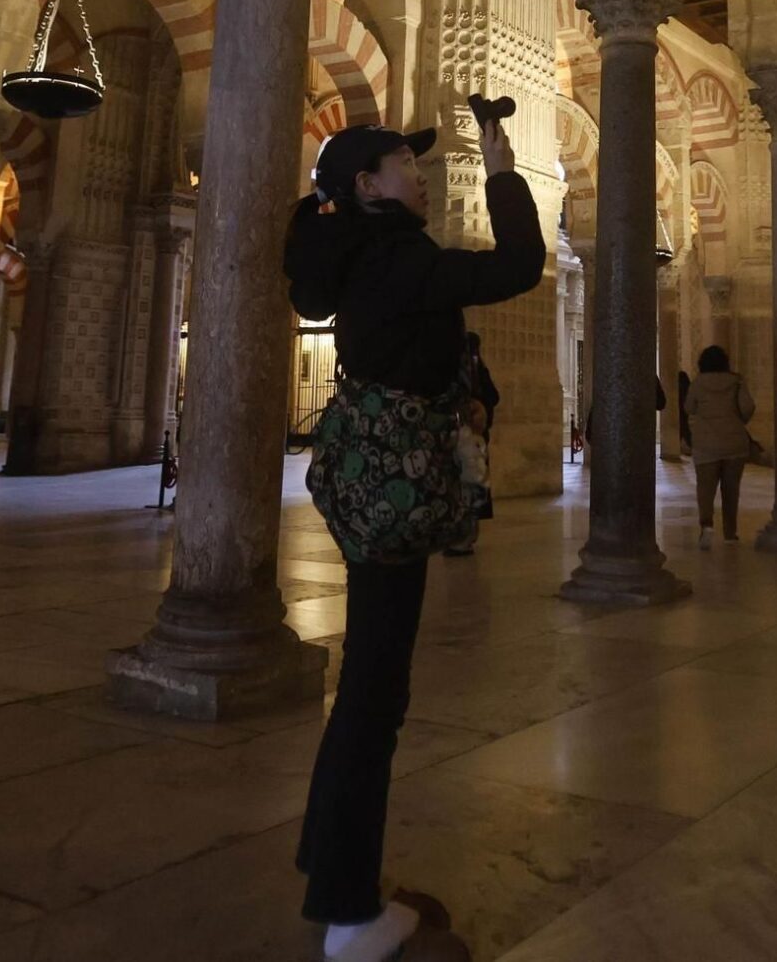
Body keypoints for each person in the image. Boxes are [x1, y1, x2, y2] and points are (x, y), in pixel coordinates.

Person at [284, 115, 543, 962]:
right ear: (366, 184)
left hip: (365, 479)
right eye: (403, 163)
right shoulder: (399, 258)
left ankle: (333, 867)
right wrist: (503, 170)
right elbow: (516, 267)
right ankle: (352, 917)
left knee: (367, 681)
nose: (419, 174)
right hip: (394, 488)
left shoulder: (358, 252)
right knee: (375, 694)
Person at [684, 345, 754, 546]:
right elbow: (748, 407)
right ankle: (730, 533)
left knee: (705, 489)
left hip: (706, 444)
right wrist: (737, 422)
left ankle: (706, 527)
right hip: (734, 443)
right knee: (731, 490)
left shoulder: (698, 383)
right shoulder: (736, 381)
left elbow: (689, 407)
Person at [444, 333, 502, 558]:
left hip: (461, 433)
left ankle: (460, 538)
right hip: (475, 434)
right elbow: (493, 396)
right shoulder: (476, 371)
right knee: (472, 481)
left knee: (461, 484)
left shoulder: (452, 371)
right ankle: (466, 536)